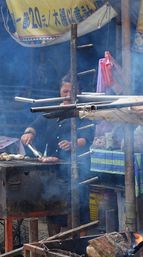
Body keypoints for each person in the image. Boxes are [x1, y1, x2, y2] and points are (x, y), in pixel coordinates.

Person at [20, 74, 95, 233]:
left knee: (79, 206)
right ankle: (53, 244)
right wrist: (29, 133)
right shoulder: (53, 110)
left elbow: (88, 137)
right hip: (55, 168)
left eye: (71, 92)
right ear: (60, 91)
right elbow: (35, 125)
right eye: (65, 91)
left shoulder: (83, 111)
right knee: (54, 207)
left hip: (78, 168)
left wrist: (73, 143)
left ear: (78, 92)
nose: (67, 95)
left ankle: (80, 242)